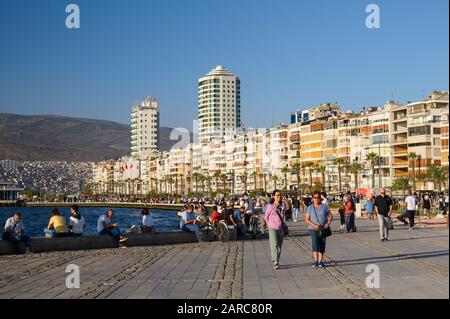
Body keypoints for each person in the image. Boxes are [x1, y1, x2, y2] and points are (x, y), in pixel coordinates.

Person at [305, 191, 333, 268]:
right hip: (313, 229)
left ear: (320, 198)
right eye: (315, 197)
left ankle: (321, 261)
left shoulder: (324, 206)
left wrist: (328, 223)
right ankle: (316, 261)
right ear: (312, 199)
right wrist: (313, 225)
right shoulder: (310, 208)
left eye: (318, 197)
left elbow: (330, 216)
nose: (316, 199)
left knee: (322, 244)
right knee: (315, 243)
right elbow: (307, 219)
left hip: (323, 228)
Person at [265, 190, 286, 269]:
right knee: (274, 244)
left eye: (280, 195)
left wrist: (283, 223)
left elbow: (283, 215)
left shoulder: (283, 205)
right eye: (277, 195)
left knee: (279, 245)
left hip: (280, 227)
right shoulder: (270, 206)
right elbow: (266, 216)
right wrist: (269, 224)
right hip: (272, 227)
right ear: (274, 196)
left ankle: (277, 259)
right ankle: (275, 261)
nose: (279, 197)